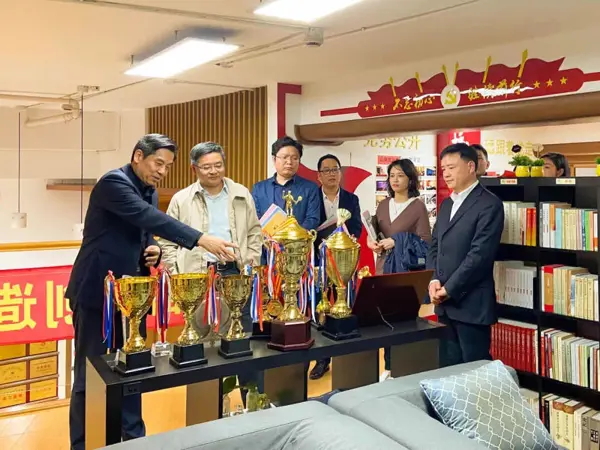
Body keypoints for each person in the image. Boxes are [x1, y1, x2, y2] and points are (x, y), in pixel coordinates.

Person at [66, 134, 238, 450]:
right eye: (158, 163)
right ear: (138, 156)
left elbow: (144, 232)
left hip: (134, 296)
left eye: (168, 166)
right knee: (90, 375)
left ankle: (133, 440)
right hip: (97, 293)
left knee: (133, 370)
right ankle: (84, 444)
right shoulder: (113, 183)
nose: (162, 171)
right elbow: (148, 217)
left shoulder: (149, 189)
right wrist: (202, 239)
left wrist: (154, 250)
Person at [158, 141, 263, 403]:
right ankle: (208, 405)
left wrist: (249, 263)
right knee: (200, 342)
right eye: (206, 167)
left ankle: (253, 401)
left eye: (218, 165)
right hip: (197, 277)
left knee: (242, 339)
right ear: (194, 168)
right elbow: (166, 241)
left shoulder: (241, 193)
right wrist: (177, 273)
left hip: (234, 274)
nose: (213, 171)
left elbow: (254, 232)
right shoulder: (182, 199)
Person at [427, 143, 504, 368]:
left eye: (451, 167)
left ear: (471, 167)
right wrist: (433, 279)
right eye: (443, 169)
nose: (446, 174)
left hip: (471, 304)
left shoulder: (489, 204)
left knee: (475, 370)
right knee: (447, 369)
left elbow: (480, 255)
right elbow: (434, 245)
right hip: (443, 303)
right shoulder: (446, 204)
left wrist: (449, 289)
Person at [367, 158, 431, 380]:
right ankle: (389, 368)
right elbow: (375, 233)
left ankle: (404, 369)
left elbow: (425, 242)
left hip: (405, 274)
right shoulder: (383, 204)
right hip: (383, 269)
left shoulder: (417, 206)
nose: (395, 180)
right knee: (384, 321)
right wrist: (372, 243)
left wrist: (397, 241)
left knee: (404, 322)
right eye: (392, 175)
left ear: (410, 179)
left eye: (400, 175)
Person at [310, 154, 362, 380]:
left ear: (340, 173)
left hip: (342, 263)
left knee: (344, 308)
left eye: (335, 169)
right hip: (318, 262)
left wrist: (347, 238)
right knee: (319, 309)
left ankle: (345, 356)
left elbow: (357, 227)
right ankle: (321, 359)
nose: (331, 174)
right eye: (326, 170)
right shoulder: (312, 197)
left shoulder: (351, 199)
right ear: (319, 175)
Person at [252, 136, 320, 231]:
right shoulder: (259, 189)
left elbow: (312, 219)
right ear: (274, 159)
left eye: (294, 158)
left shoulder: (310, 188)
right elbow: (254, 219)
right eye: (284, 157)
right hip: (267, 239)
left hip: (298, 239)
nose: (289, 162)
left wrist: (292, 235)